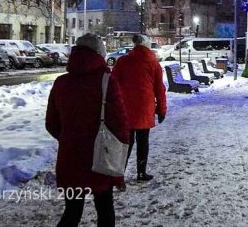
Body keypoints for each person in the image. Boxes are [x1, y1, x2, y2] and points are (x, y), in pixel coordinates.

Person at [46, 33, 128, 227]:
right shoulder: (107, 82)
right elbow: (120, 124)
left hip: (70, 158)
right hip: (100, 158)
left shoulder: (61, 82)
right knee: (105, 210)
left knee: (72, 211)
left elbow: (51, 124)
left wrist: (69, 139)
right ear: (100, 53)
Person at [111, 35, 167, 182]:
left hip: (125, 108)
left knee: (125, 143)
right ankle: (141, 173)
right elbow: (159, 89)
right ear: (148, 47)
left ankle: (119, 175)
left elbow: (113, 83)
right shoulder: (153, 63)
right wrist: (161, 109)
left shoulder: (123, 61)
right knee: (143, 141)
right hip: (144, 107)